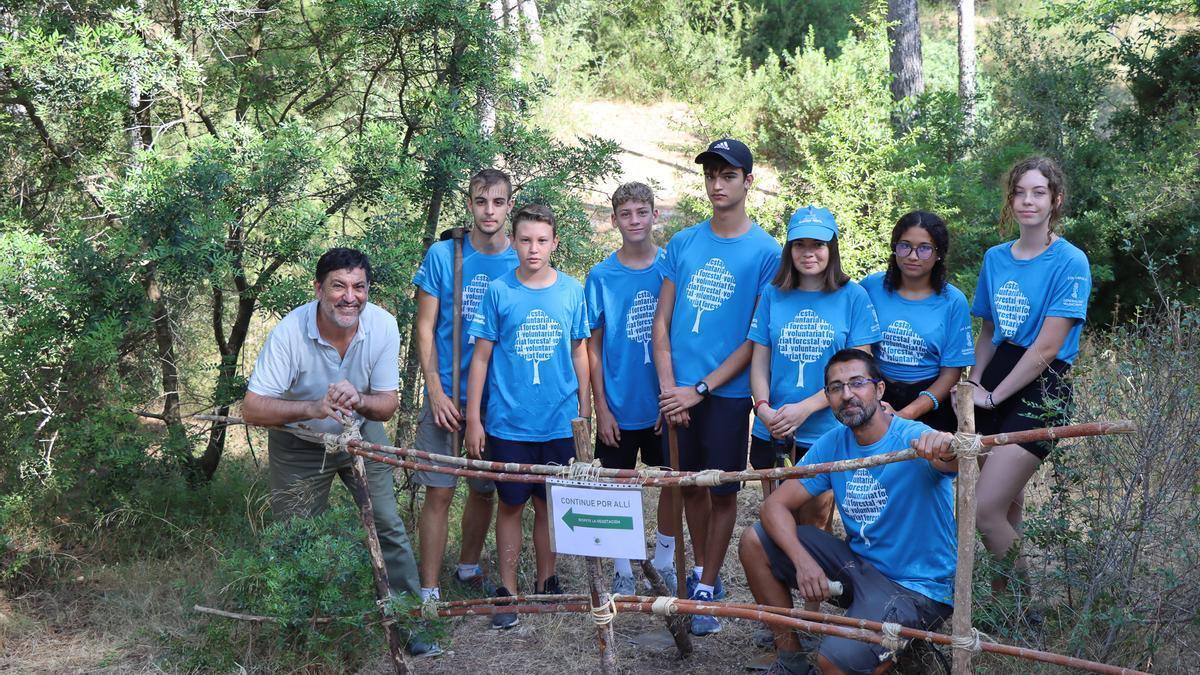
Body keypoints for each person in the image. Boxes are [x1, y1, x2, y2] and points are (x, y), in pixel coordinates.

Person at [242, 248, 434, 657]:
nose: (350, 296)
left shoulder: (382, 325)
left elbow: (386, 403)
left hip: (361, 435)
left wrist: (360, 400)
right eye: (339, 286)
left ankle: (411, 625)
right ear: (318, 289)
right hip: (299, 442)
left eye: (359, 287)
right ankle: (297, 634)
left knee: (387, 526)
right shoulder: (290, 332)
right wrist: (310, 408)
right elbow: (253, 408)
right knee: (295, 537)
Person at [739, 349, 959, 675]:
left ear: (879, 389)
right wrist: (803, 563)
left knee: (835, 660)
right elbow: (774, 505)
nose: (847, 395)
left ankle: (872, 649)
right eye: (836, 387)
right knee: (754, 541)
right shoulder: (834, 442)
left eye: (858, 383)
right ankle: (792, 661)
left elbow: (951, 459)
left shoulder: (913, 437)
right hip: (859, 568)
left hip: (916, 587)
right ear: (827, 397)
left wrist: (945, 447)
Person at [653, 138, 781, 635]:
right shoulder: (683, 244)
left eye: (728, 175)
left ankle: (706, 583)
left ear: (748, 181)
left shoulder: (767, 252)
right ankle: (705, 568)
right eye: (710, 175)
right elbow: (661, 323)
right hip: (676, 392)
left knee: (723, 490)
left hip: (724, 395)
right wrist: (671, 388)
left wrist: (700, 389)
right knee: (688, 488)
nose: (717, 184)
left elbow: (757, 335)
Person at [465, 203, 590, 630]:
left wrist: (584, 414)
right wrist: (474, 419)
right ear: (513, 241)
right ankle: (507, 589)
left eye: (541, 241)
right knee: (511, 503)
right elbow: (480, 359)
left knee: (547, 503)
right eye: (524, 240)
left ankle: (546, 580)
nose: (533, 249)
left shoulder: (572, 291)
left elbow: (580, 352)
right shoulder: (499, 291)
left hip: (558, 422)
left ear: (555, 243)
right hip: (509, 423)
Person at [968, 157, 1090, 592]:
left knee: (984, 509)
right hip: (996, 374)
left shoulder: (1070, 261)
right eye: (1020, 192)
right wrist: (975, 383)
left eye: (1038, 192)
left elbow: (1048, 347)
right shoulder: (996, 258)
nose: (1027, 201)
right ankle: (1005, 599)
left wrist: (995, 396)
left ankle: (1022, 605)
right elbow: (986, 330)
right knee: (1006, 505)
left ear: (1054, 200)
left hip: (1043, 386)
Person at [411, 168, 518, 605]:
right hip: (447, 393)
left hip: (497, 401)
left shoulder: (522, 258)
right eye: (480, 201)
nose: (488, 211)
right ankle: (429, 589)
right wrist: (434, 391)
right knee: (439, 489)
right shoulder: (444, 255)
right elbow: (424, 327)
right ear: (470, 204)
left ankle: (468, 566)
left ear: (510, 206)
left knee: (483, 487)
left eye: (497, 202)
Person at [749, 205, 880, 515]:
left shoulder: (854, 296)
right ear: (789, 249)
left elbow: (859, 373)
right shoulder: (773, 294)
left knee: (815, 522)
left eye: (818, 244)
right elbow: (759, 363)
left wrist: (805, 408)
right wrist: (763, 409)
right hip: (775, 428)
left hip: (826, 429)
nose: (809, 253)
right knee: (776, 519)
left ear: (831, 247)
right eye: (800, 244)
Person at [584, 182, 677, 595]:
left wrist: (672, 393)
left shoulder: (669, 268)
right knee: (616, 487)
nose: (635, 221)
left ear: (655, 215)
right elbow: (593, 346)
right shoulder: (602, 276)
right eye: (626, 214)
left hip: (662, 402)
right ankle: (623, 568)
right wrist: (601, 407)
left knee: (672, 482)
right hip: (619, 406)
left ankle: (665, 561)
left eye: (642, 212)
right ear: (614, 220)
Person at [860, 211, 974, 433]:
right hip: (876, 397)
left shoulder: (953, 301)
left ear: (938, 254)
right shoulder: (870, 288)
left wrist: (906, 415)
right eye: (905, 246)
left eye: (924, 249)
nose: (913, 256)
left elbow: (951, 373)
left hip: (930, 405)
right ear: (895, 248)